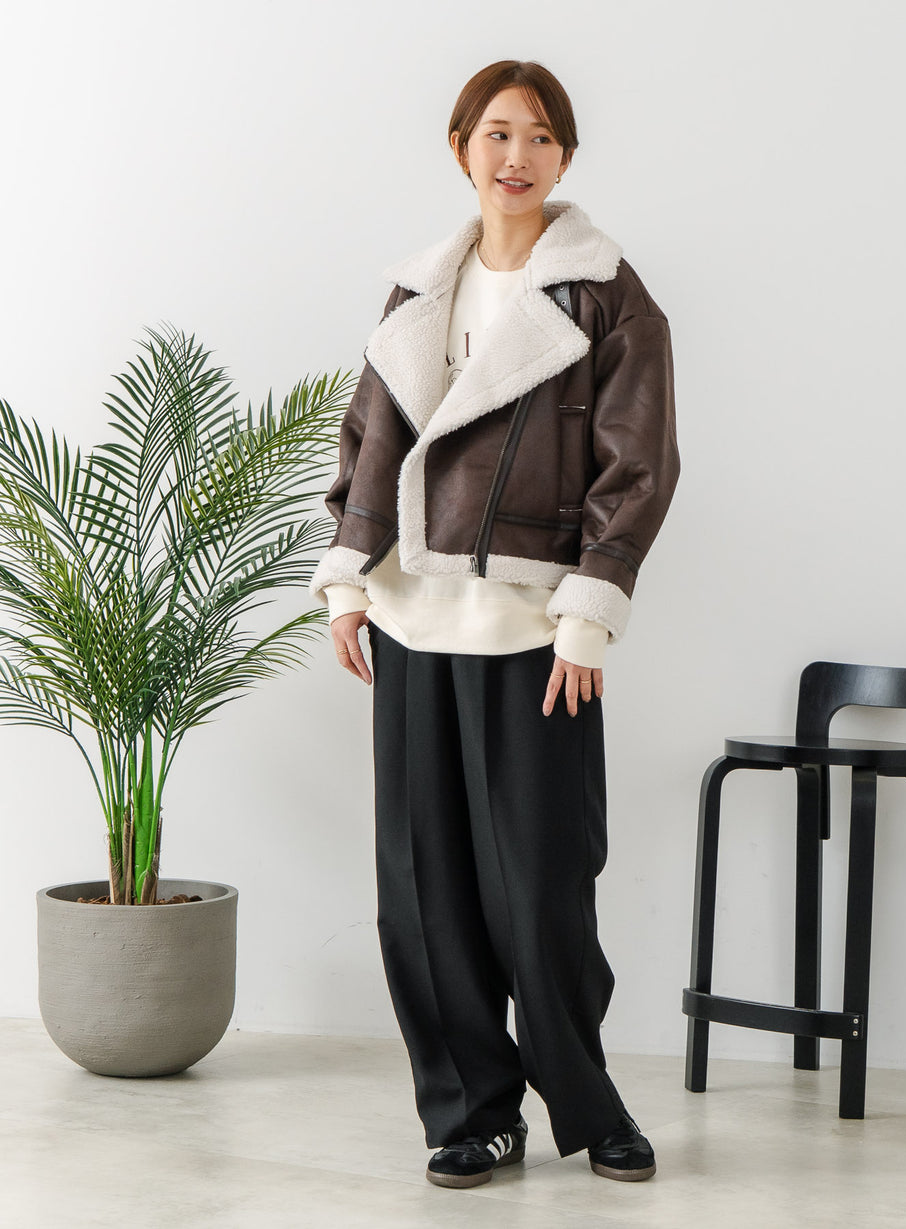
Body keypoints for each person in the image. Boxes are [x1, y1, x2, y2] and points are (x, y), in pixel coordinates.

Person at [310, 59, 680, 1189]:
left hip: (532, 630)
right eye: (497, 133)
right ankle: (472, 1109)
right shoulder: (417, 291)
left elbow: (638, 466)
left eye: (540, 136)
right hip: (412, 620)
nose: (517, 156)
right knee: (423, 892)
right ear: (461, 147)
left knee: (543, 884)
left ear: (564, 156)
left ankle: (586, 1100)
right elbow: (371, 437)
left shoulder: (606, 294)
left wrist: (588, 614)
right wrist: (347, 578)